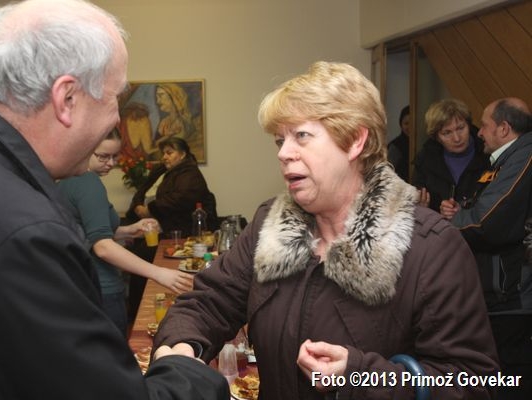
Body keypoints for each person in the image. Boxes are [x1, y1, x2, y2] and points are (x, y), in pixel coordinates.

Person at [0, 1, 229, 399]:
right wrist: (186, 370)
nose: (117, 119)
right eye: (115, 98)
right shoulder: (26, 235)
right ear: (67, 98)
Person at [153, 61, 499, 399]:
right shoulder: (269, 225)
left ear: (355, 141)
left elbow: (475, 383)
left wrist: (361, 376)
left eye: (301, 136)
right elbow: (209, 302)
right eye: (280, 140)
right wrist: (180, 347)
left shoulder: (432, 248)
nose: (284, 153)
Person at [57, 129, 193, 337]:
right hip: (102, 286)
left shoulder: (66, 179)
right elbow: (102, 247)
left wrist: (129, 230)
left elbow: (86, 233)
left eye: (115, 156)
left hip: (78, 285)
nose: (111, 163)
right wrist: (159, 273)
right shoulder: (89, 182)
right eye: (103, 156)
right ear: (85, 149)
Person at [440, 97, 532, 399]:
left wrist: (446, 224)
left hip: (513, 295)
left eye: (484, 125)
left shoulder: (525, 156)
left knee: (510, 380)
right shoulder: (504, 160)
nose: (478, 132)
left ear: (504, 129)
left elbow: (486, 221)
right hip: (500, 293)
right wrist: (462, 211)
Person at [127, 136, 218, 237]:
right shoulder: (159, 171)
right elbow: (141, 190)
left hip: (176, 231)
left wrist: (149, 209)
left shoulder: (190, 174)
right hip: (148, 226)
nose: (164, 157)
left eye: (169, 153)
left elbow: (179, 198)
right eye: (163, 153)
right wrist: (138, 206)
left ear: (182, 155)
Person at [412, 98, 489, 212]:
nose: (457, 138)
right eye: (447, 133)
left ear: (469, 125)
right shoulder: (425, 160)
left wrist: (463, 213)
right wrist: (424, 210)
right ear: (437, 137)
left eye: (461, 128)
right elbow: (418, 206)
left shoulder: (488, 153)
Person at [387, 105, 410, 181]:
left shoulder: (420, 143)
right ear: (401, 125)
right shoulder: (395, 146)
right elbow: (388, 173)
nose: (409, 126)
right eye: (406, 123)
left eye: (412, 123)